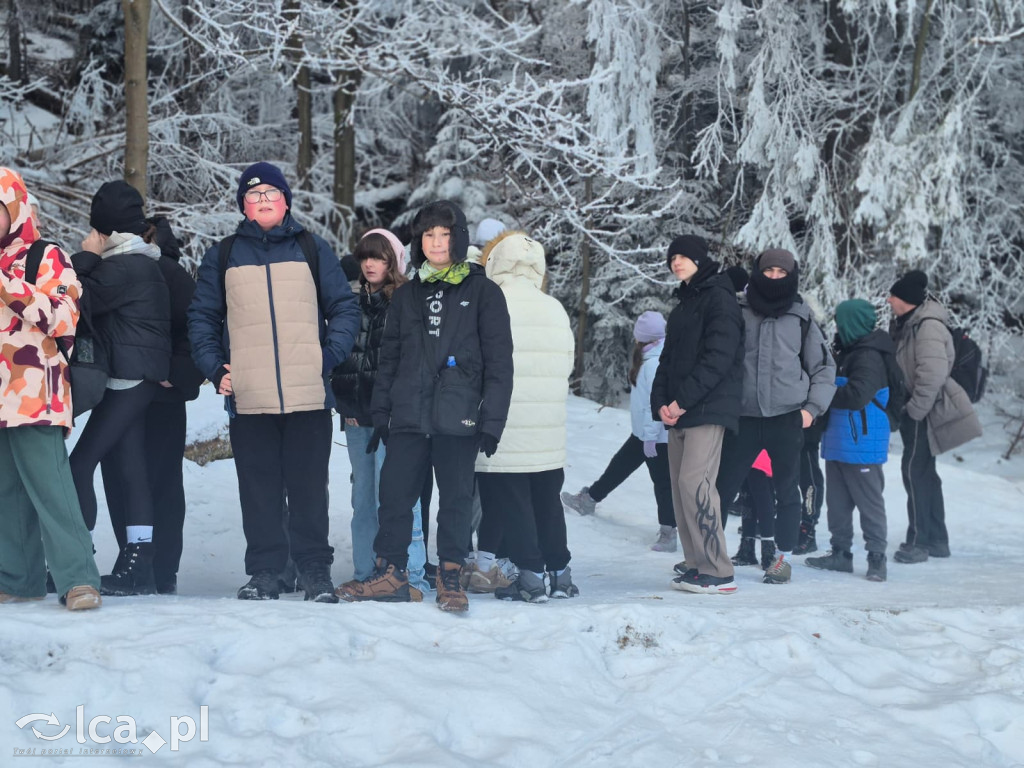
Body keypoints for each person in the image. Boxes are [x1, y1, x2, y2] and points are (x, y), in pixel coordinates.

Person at [188, 162, 360, 602]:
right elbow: (202, 318)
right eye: (253, 194)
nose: (263, 199)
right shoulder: (223, 254)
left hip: (308, 393)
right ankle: (265, 572)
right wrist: (214, 367)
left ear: (286, 200)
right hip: (249, 396)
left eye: (270, 192)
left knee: (308, 488)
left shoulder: (312, 248)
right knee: (258, 488)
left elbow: (344, 308)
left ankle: (314, 572)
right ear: (243, 206)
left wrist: (328, 355)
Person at [336, 199, 513, 612]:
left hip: (459, 418)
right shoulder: (408, 295)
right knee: (394, 498)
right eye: (428, 235)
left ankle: (449, 577)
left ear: (459, 238)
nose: (436, 242)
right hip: (409, 417)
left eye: (444, 234)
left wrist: (493, 421)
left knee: (454, 501)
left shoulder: (483, 292)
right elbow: (390, 360)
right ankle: (391, 573)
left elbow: (500, 363)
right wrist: (381, 413)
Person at [0, 168, 101, 610]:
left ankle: (78, 579)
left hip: (35, 394)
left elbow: (62, 318)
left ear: (15, 209)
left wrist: (6, 283)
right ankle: (17, 580)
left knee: (51, 487)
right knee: (6, 494)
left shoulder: (47, 254)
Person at [68, 180, 172, 597]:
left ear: (104, 228)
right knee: (131, 469)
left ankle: (76, 559)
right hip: (131, 378)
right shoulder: (137, 259)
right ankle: (137, 564)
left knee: (79, 465)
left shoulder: (123, 265)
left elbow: (74, 298)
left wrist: (85, 256)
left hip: (128, 380)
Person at [714, 248, 836, 584]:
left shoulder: (801, 315)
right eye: (768, 272)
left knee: (787, 490)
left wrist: (811, 411)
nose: (774, 278)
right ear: (757, 272)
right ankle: (711, 555)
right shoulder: (737, 309)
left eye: (782, 273)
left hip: (787, 417)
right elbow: (719, 357)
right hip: (744, 417)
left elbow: (824, 367)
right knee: (722, 488)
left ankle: (782, 559)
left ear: (792, 275)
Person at [100, 215, 204, 595]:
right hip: (146, 392)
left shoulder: (168, 276)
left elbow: (195, 329)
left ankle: (152, 567)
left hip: (151, 394)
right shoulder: (163, 274)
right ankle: (148, 564)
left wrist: (171, 373)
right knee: (148, 479)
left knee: (139, 478)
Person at [472, 231, 576, 602]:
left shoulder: (490, 303)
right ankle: (560, 573)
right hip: (547, 428)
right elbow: (568, 364)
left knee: (511, 502)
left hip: (505, 426)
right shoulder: (554, 307)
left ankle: (529, 577)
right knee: (548, 502)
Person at [330, 228, 429, 595]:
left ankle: (411, 574)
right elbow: (344, 361)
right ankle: (365, 571)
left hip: (395, 419)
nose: (370, 264)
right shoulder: (349, 303)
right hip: (358, 418)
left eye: (379, 256)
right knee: (363, 500)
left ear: (394, 261)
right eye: (365, 257)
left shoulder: (407, 302)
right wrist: (345, 404)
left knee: (398, 497)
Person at [651, 235, 744, 594]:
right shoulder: (683, 305)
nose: (676, 262)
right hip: (678, 411)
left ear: (700, 259)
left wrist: (682, 401)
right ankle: (695, 563)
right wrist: (661, 402)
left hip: (707, 407)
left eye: (683, 256)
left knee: (696, 484)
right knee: (679, 488)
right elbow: (667, 360)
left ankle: (718, 570)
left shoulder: (719, 298)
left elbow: (718, 358)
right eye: (672, 257)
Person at [886, 270, 982, 564]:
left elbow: (932, 375)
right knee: (923, 472)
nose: (889, 300)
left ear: (906, 300)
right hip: (920, 409)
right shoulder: (911, 323)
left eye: (894, 296)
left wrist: (914, 410)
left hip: (924, 412)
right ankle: (937, 540)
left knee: (915, 472)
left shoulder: (926, 327)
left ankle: (921, 542)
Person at [561, 311, 677, 552]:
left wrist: (651, 437)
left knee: (663, 483)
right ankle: (589, 499)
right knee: (620, 465)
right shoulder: (652, 357)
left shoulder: (654, 363)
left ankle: (669, 532)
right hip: (644, 433)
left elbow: (654, 406)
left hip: (656, 436)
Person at [807, 299, 893, 581]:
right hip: (839, 438)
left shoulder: (868, 355)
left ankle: (877, 557)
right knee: (838, 502)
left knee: (869, 503)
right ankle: (840, 554)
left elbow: (857, 396)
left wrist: (822, 392)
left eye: (841, 321)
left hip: (862, 441)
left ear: (852, 323)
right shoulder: (847, 350)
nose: (837, 326)